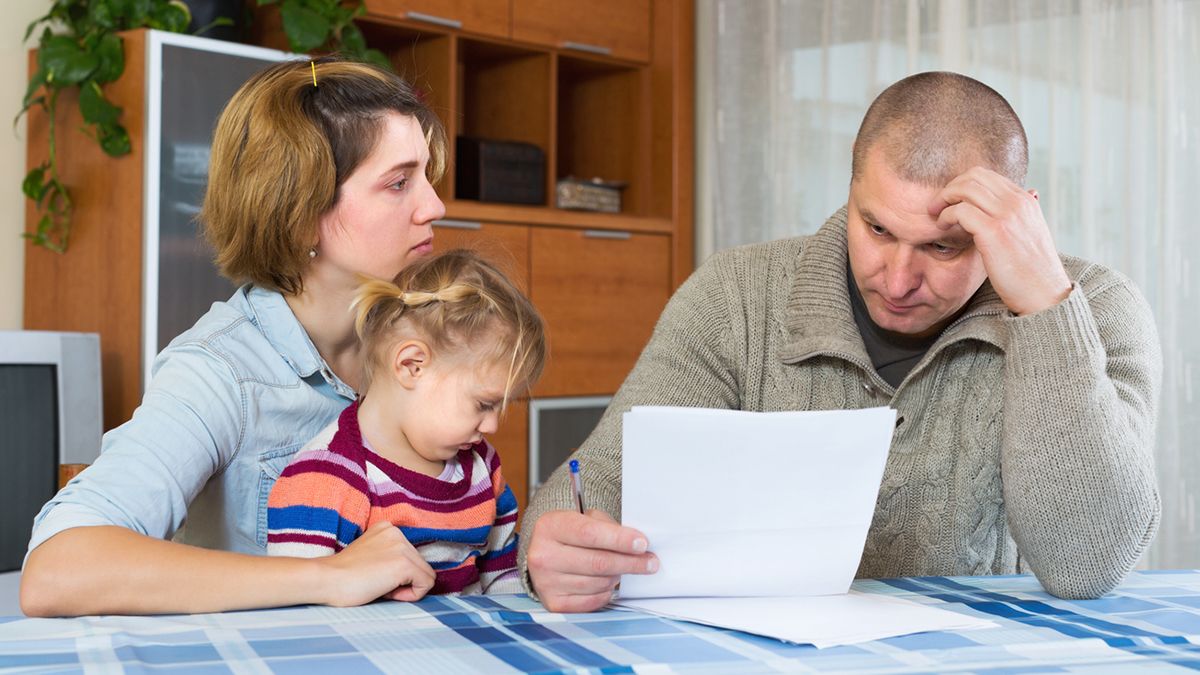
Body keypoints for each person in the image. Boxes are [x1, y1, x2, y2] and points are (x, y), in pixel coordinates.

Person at [519, 71, 1163, 612]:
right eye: (877, 228)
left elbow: (1088, 565)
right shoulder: (735, 295)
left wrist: (1047, 307)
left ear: (1017, 216)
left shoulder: (1097, 309)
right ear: (851, 189)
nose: (900, 279)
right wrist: (555, 552)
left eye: (943, 246)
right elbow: (590, 488)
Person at [21, 57, 451, 616]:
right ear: (300, 215)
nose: (434, 206)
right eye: (398, 183)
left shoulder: (428, 339)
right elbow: (57, 570)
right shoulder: (219, 371)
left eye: (426, 176)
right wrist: (323, 577)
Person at [266, 249, 545, 596]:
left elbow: (504, 578)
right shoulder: (324, 480)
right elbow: (298, 600)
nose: (491, 426)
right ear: (412, 365)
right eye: (483, 404)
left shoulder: (482, 467)